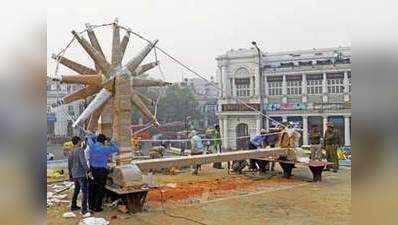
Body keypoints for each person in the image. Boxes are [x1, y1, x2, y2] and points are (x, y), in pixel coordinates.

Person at [87, 133, 119, 212]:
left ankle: (91, 206)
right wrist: (110, 141)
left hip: (92, 170)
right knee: (100, 189)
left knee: (92, 188)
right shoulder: (105, 148)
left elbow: (89, 137)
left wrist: (95, 135)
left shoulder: (92, 146)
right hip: (101, 171)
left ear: (97, 140)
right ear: (104, 141)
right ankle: (97, 207)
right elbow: (116, 148)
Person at [68, 136, 90, 216]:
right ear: (77, 142)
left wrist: (70, 174)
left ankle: (73, 206)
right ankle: (84, 209)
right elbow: (83, 162)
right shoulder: (80, 150)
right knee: (85, 191)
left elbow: (69, 164)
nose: (81, 142)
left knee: (76, 190)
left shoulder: (71, 151)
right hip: (81, 174)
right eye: (80, 141)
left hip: (74, 174)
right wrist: (88, 170)